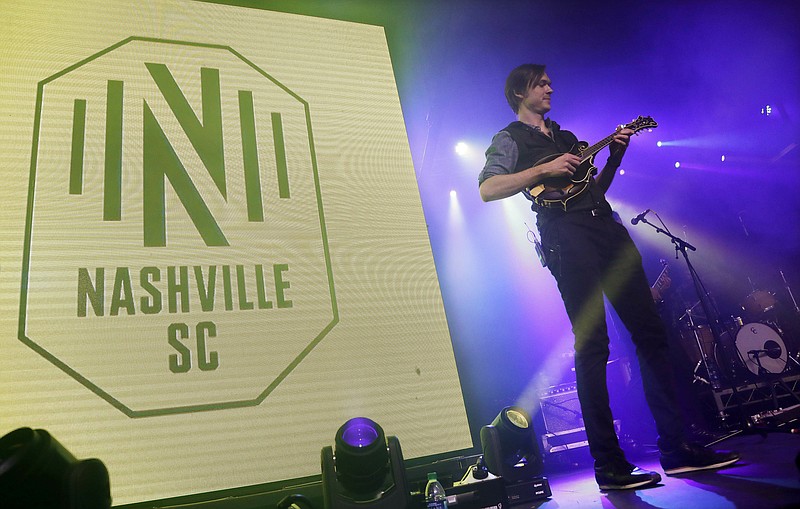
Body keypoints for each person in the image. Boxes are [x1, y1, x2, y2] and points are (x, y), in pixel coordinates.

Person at [478, 64, 740, 491]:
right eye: (540, 83)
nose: (549, 87)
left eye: (549, 82)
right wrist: (542, 171)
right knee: (593, 344)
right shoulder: (509, 139)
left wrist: (615, 154)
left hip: (607, 230)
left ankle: (677, 449)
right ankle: (610, 465)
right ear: (518, 92)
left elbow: (593, 189)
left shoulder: (565, 138)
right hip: (564, 237)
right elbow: (488, 188)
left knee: (652, 333)